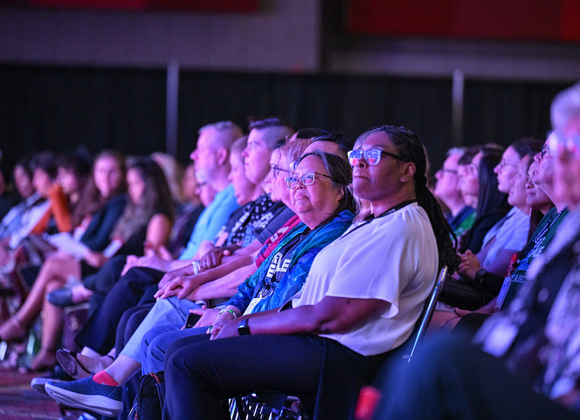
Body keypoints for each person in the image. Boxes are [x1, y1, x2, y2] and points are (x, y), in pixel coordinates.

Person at [45, 149, 358, 417]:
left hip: (269, 330)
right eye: (294, 179)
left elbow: (286, 296)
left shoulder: (332, 232)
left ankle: (110, 387)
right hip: (243, 317)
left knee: (169, 347)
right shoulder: (298, 228)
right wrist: (227, 312)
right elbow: (252, 281)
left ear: (341, 190)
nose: (297, 186)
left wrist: (235, 319)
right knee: (158, 330)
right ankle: (110, 389)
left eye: (310, 179)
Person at [372, 81, 580, 420]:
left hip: (559, 396)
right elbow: (526, 313)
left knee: (439, 359)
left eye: (573, 144)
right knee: (420, 358)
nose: (561, 156)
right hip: (522, 370)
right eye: (559, 143)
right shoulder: (569, 224)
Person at [0, 151, 131, 370]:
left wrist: (73, 246)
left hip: (100, 266)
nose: (105, 178)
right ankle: (47, 351)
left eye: (112, 172)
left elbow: (96, 242)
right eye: (100, 171)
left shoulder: (118, 202)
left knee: (51, 265)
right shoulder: (100, 202)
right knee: (53, 284)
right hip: (86, 260)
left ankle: (20, 322)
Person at [434, 148, 476, 238]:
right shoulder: (446, 221)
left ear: (461, 176)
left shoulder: (473, 222)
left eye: (444, 171)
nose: (437, 175)